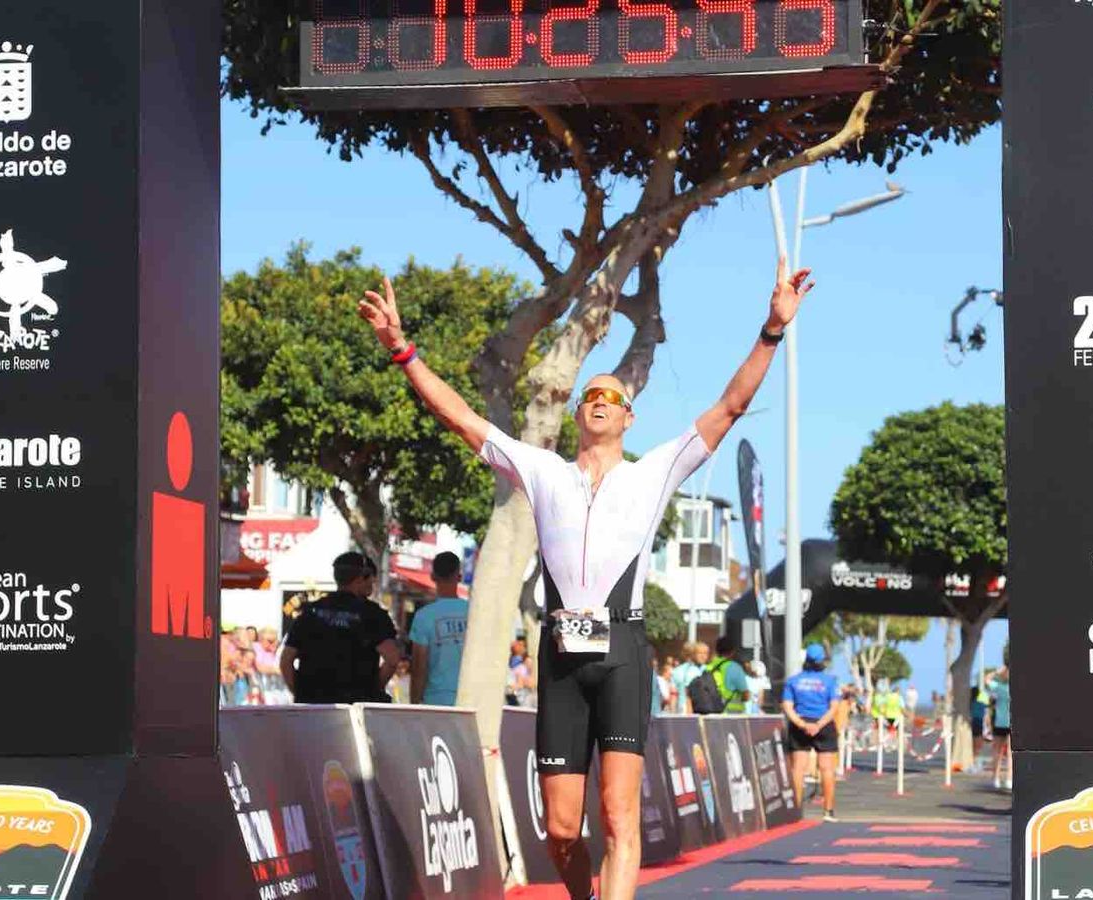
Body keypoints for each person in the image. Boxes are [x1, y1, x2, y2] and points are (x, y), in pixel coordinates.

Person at [358, 255, 813, 900]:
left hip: (623, 651)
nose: (600, 402)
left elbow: (731, 405)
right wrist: (401, 351)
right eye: (590, 397)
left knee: (620, 818)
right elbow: (460, 418)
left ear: (629, 418)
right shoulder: (543, 471)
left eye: (613, 398)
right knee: (561, 830)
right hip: (561, 659)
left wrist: (772, 329)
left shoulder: (654, 471)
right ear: (577, 414)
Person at [278, 552, 400, 704]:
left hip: (313, 705)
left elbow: (285, 661)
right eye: (371, 578)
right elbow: (392, 659)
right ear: (360, 578)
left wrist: (301, 693)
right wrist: (373, 689)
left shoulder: (310, 612)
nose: (373, 583)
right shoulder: (373, 614)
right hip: (356, 705)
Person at [781, 644, 841, 822]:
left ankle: (796, 812)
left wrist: (802, 724)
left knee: (798, 769)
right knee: (827, 769)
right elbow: (834, 707)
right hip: (824, 724)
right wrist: (819, 724)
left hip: (800, 724)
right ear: (822, 661)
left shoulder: (793, 681)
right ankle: (828, 811)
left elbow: (787, 706)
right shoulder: (830, 681)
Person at [408, 551, 470, 706]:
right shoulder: (473, 613)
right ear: (459, 577)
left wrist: (414, 703)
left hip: (435, 700)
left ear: (433, 576)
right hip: (469, 697)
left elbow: (419, 666)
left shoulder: (423, 616)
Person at [705, 635, 750, 715]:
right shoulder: (734, 667)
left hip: (711, 713)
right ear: (732, 651)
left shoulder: (709, 667)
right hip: (731, 715)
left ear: (717, 650)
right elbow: (746, 696)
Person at [988, 665, 1012, 790]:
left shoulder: (998, 687)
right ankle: (1005, 779)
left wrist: (996, 672)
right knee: (1006, 753)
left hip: (1002, 723)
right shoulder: (1001, 687)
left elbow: (986, 679)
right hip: (1004, 723)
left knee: (1000, 752)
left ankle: (1000, 778)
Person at [671, 643, 708, 714]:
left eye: (705, 653)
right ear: (694, 654)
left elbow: (673, 695)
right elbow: (688, 693)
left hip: (680, 709)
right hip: (694, 710)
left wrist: (672, 714)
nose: (703, 656)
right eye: (700, 653)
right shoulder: (697, 670)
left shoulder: (676, 671)